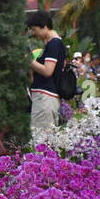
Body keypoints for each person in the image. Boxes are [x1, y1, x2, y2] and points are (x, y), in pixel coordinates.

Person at [26, 10, 66, 139]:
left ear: (44, 25)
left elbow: (48, 71)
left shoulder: (54, 44)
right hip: (45, 97)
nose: (33, 33)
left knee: (41, 139)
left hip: (45, 99)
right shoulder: (51, 44)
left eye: (34, 29)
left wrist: (28, 60)